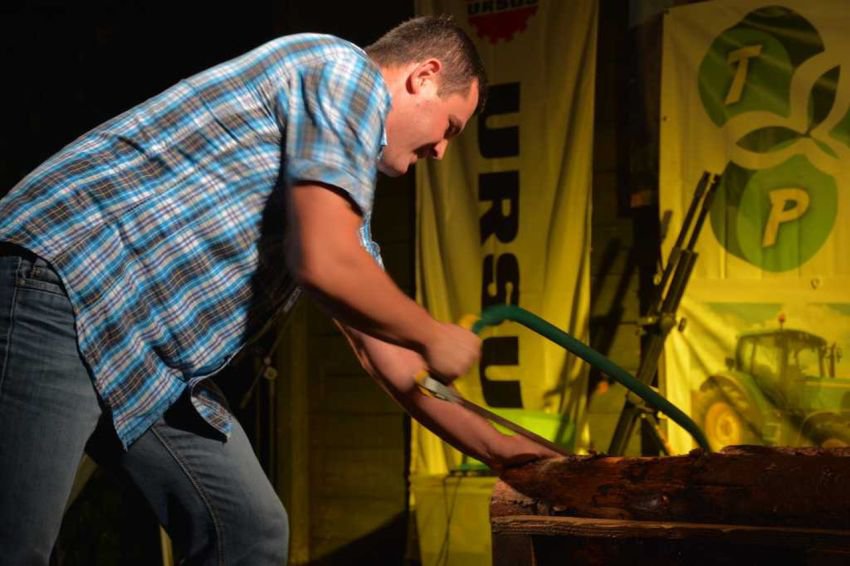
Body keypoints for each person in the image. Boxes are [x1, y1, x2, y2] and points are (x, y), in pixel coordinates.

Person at [0, 15, 557, 566]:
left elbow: (387, 357)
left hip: (141, 355)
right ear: (423, 76)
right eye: (451, 128)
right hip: (63, 283)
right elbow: (324, 261)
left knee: (247, 531)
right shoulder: (343, 72)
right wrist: (432, 333)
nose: (441, 151)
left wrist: (508, 453)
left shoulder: (338, 199)